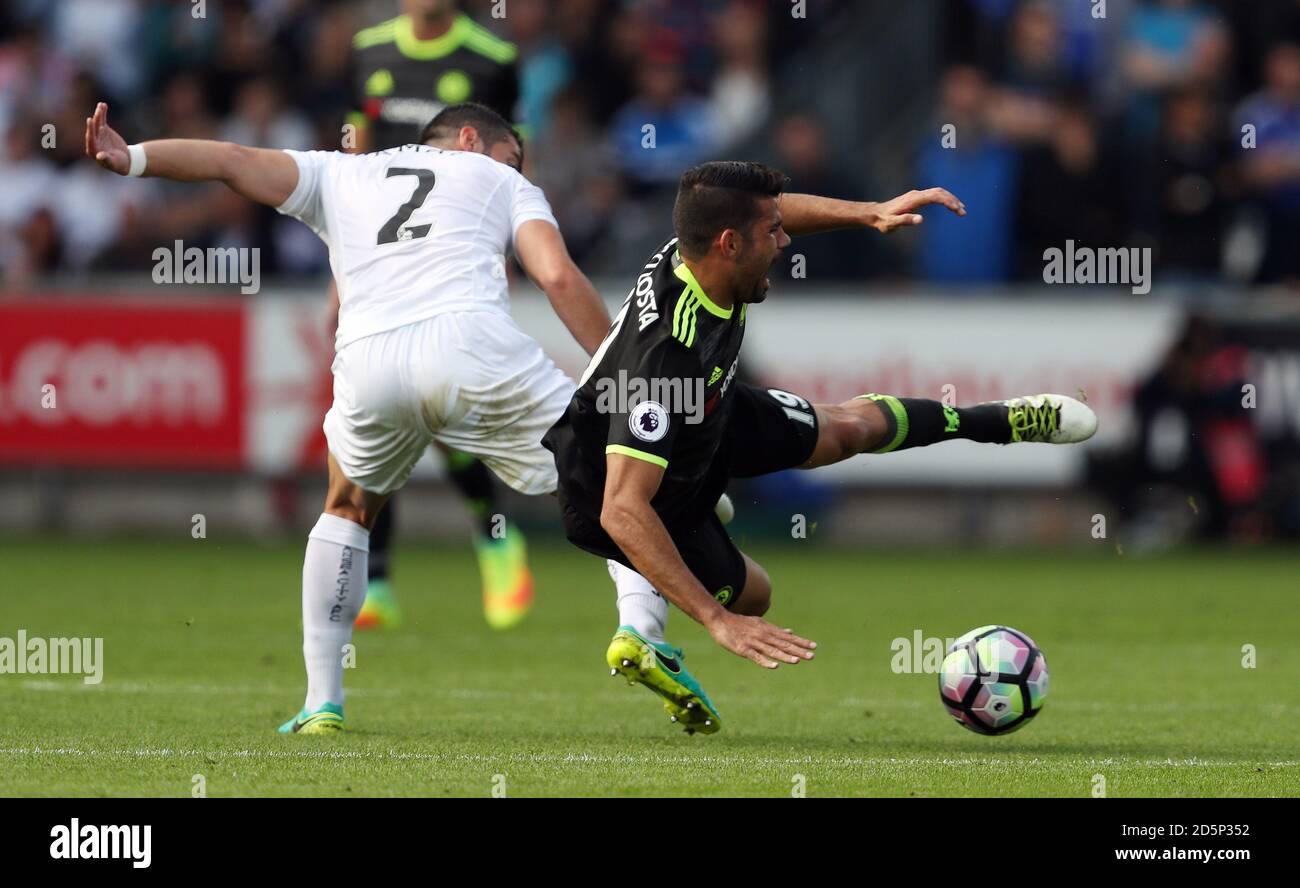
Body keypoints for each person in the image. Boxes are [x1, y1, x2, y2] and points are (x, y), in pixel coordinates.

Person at [85, 100, 611, 734]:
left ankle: (321, 702)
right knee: (614, 474)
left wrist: (134, 157)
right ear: (471, 140)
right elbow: (555, 275)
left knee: (346, 508)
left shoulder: (339, 173)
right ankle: (642, 630)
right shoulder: (500, 179)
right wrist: (622, 373)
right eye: (513, 155)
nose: (518, 168)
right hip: (470, 348)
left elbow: (229, 160)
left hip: (370, 364)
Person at [543, 161, 1098, 734]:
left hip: (708, 415)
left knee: (844, 430)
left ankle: (1001, 421)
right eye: (772, 234)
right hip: (628, 489)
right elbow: (622, 507)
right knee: (752, 597)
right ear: (731, 245)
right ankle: (647, 619)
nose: (784, 243)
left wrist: (870, 212)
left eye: (780, 227)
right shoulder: (664, 364)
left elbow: (778, 215)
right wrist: (716, 621)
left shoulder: (699, 246)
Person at [347, 0, 529, 631]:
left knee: (450, 411)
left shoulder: (494, 57)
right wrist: (338, 273)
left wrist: (508, 246)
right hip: (380, 259)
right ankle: (376, 583)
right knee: (374, 412)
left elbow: (510, 161)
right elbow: (355, 156)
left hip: (457, 260)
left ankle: (495, 537)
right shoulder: (368, 47)